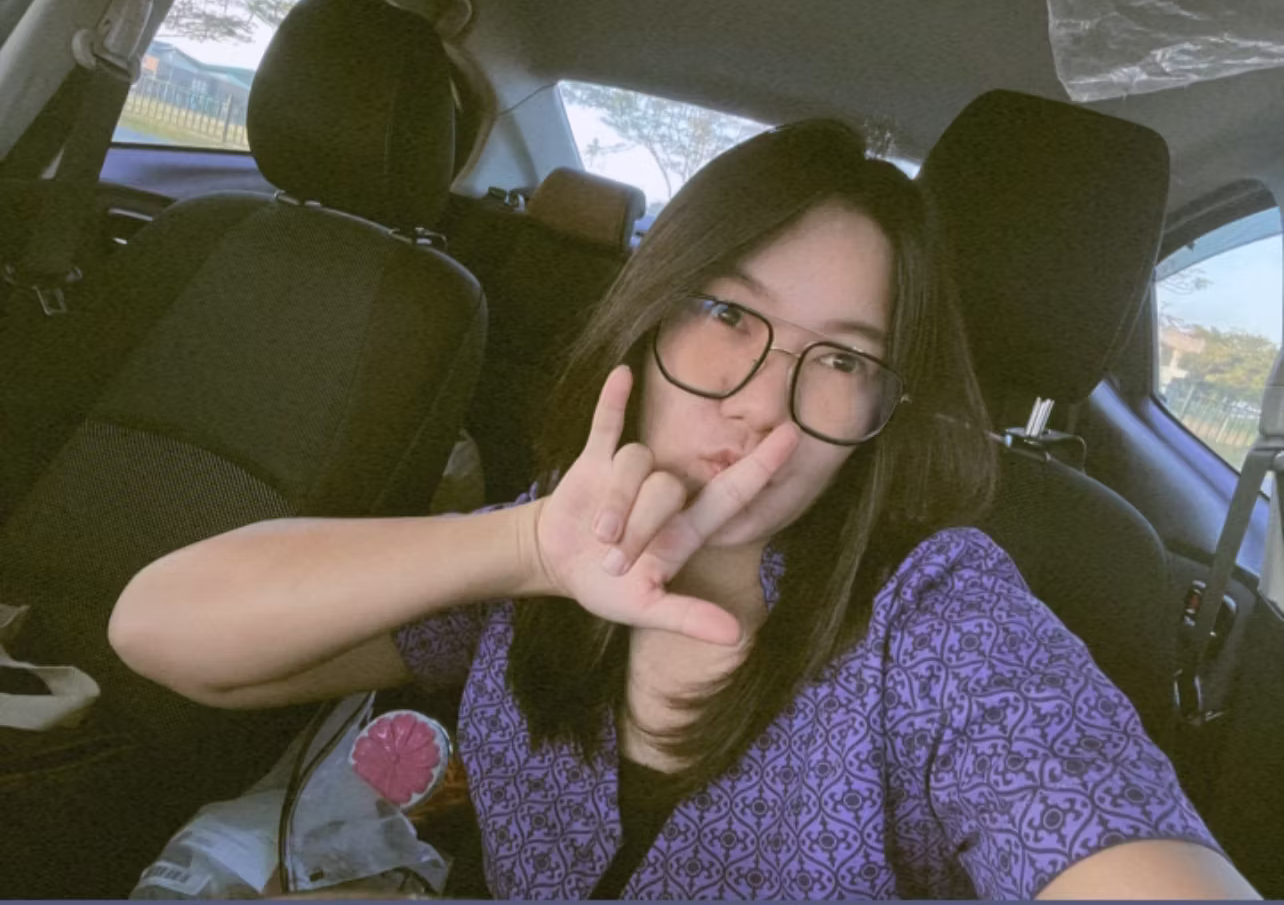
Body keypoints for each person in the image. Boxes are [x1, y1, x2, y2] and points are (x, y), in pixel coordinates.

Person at [109, 120, 1257, 900]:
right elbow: (160, 631)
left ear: (883, 407)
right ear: (646, 320)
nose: (760, 403)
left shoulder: (938, 623)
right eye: (726, 313)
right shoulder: (552, 543)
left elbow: (1102, 828)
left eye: (842, 359)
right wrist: (523, 547)